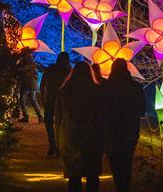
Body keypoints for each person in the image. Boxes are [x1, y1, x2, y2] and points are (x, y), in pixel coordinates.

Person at [54, 61, 103, 192]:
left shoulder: (64, 91)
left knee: (74, 175)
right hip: (92, 136)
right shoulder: (97, 91)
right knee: (92, 174)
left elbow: (58, 118)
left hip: (70, 135)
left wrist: (58, 139)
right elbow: (101, 116)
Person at [103, 58, 146, 192]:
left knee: (115, 159)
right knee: (127, 159)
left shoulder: (106, 87)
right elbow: (142, 110)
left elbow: (102, 108)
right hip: (130, 129)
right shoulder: (135, 87)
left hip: (112, 129)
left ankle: (119, 184)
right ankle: (125, 186)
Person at [40, 52, 71, 156]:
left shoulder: (50, 69)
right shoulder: (68, 71)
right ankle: (59, 145)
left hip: (50, 99)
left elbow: (42, 85)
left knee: (49, 123)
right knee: (61, 124)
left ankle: (52, 144)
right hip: (63, 101)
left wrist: (43, 97)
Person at [16, 48, 43, 123]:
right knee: (33, 99)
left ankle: (25, 116)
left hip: (26, 82)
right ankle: (40, 115)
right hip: (32, 82)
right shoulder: (33, 61)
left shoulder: (25, 60)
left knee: (22, 99)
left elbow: (20, 69)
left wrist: (19, 65)